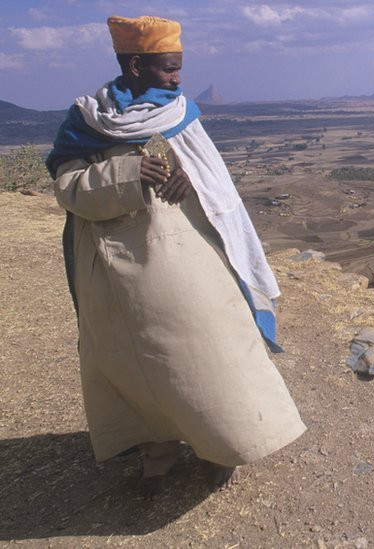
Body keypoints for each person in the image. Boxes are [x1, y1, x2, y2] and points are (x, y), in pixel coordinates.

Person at [46, 15, 306, 495]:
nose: (177, 78)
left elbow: (213, 181)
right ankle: (156, 454)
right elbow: (68, 188)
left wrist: (191, 179)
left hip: (187, 258)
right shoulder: (86, 120)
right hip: (115, 269)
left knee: (212, 355)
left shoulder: (179, 110)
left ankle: (223, 448)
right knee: (135, 364)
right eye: (168, 68)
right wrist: (126, 173)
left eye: (179, 68)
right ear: (137, 64)